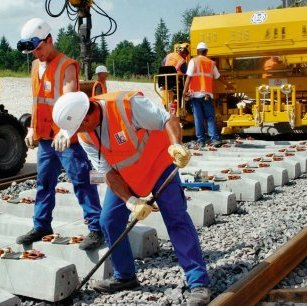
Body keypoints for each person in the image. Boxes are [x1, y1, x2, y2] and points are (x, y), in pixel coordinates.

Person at [52, 91, 211, 305]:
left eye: (79, 126)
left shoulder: (126, 105)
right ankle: (125, 276)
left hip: (159, 166)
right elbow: (106, 172)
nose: (77, 132)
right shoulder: (84, 135)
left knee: (176, 219)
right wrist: (130, 201)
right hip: (126, 178)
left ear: (87, 117)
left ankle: (198, 282)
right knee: (108, 220)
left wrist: (176, 144)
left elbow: (167, 119)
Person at [15, 18, 103, 250]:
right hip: (45, 138)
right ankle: (42, 224)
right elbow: (37, 100)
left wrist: (66, 130)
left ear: (49, 40)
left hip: (66, 140)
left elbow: (70, 101)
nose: (37, 54)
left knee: (82, 181)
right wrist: (33, 126)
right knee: (44, 183)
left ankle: (96, 228)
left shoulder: (67, 65)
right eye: (33, 50)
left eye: (40, 48)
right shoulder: (35, 66)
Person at [183, 42, 232, 147]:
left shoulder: (193, 61)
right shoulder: (211, 63)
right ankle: (214, 139)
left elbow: (189, 77)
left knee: (198, 118)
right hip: (207, 95)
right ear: (206, 52)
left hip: (195, 95)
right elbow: (218, 77)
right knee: (210, 117)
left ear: (197, 51)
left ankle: (201, 141)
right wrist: (228, 85)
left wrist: (184, 91)